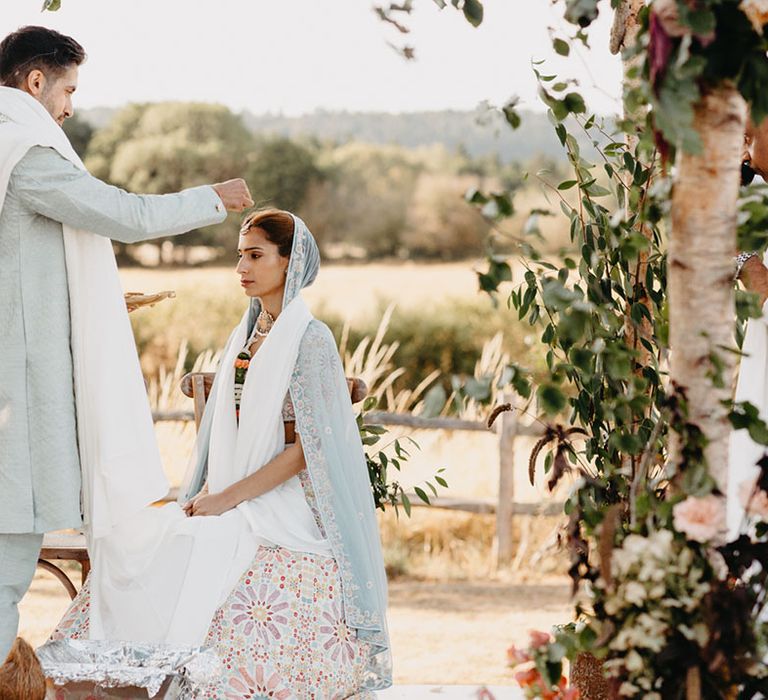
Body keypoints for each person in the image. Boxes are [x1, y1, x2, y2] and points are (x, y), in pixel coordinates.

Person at [49, 210, 392, 698]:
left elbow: (302, 453)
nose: (242, 268)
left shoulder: (310, 340)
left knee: (205, 542)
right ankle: (108, 675)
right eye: (239, 256)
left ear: (290, 262)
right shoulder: (249, 335)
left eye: (256, 256)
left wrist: (227, 498)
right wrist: (212, 491)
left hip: (280, 501)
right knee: (151, 538)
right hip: (232, 491)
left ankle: (176, 678)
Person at [0, 24, 253, 661]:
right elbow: (124, 214)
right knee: (5, 579)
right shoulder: (20, 150)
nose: (70, 107)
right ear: (35, 81)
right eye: (68, 90)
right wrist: (213, 200)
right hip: (14, 405)